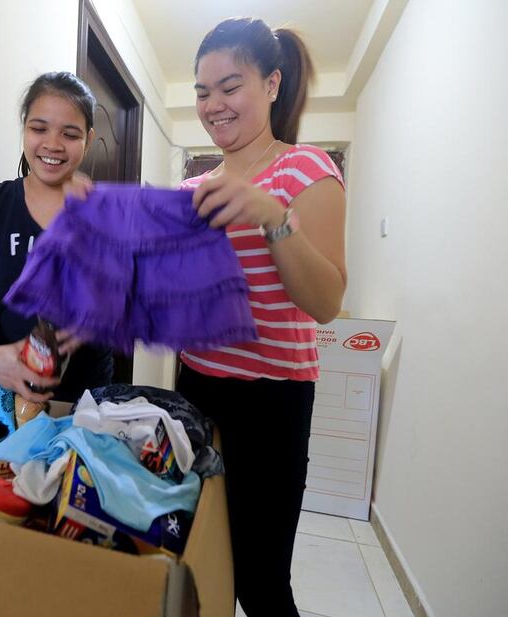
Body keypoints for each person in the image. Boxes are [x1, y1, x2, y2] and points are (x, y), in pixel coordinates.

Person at [175, 17, 347, 617]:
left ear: (272, 84)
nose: (212, 105)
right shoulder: (197, 185)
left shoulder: (307, 171)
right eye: (201, 92)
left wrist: (271, 214)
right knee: (199, 555)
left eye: (230, 86)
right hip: (195, 390)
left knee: (262, 581)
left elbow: (326, 302)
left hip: (272, 403)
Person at [0, 72, 113, 404]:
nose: (52, 144)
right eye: (39, 129)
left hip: (87, 398)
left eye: (70, 134)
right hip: (9, 392)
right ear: (24, 129)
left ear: (88, 139)